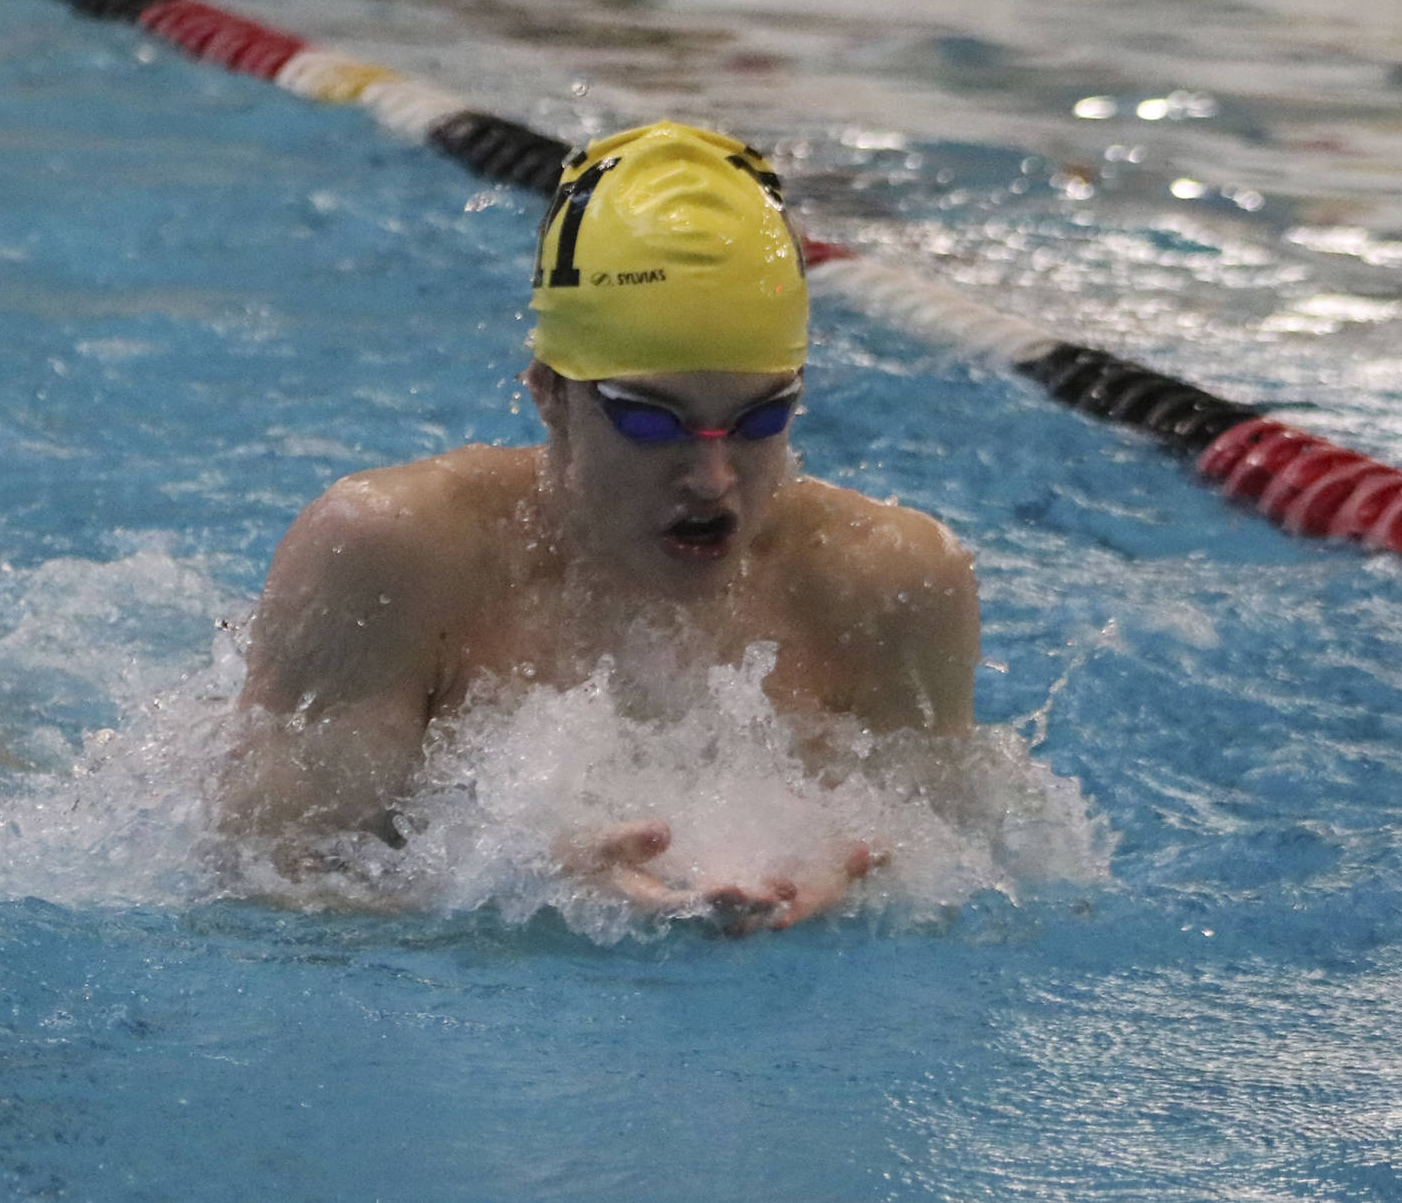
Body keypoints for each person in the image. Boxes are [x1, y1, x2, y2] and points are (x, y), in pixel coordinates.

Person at [218, 121, 979, 933]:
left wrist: (862, 889)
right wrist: (511, 892)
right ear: (550, 392)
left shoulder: (893, 583)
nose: (713, 478)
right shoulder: (393, 556)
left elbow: (975, 866)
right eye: (653, 422)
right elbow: (258, 883)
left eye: (760, 418)